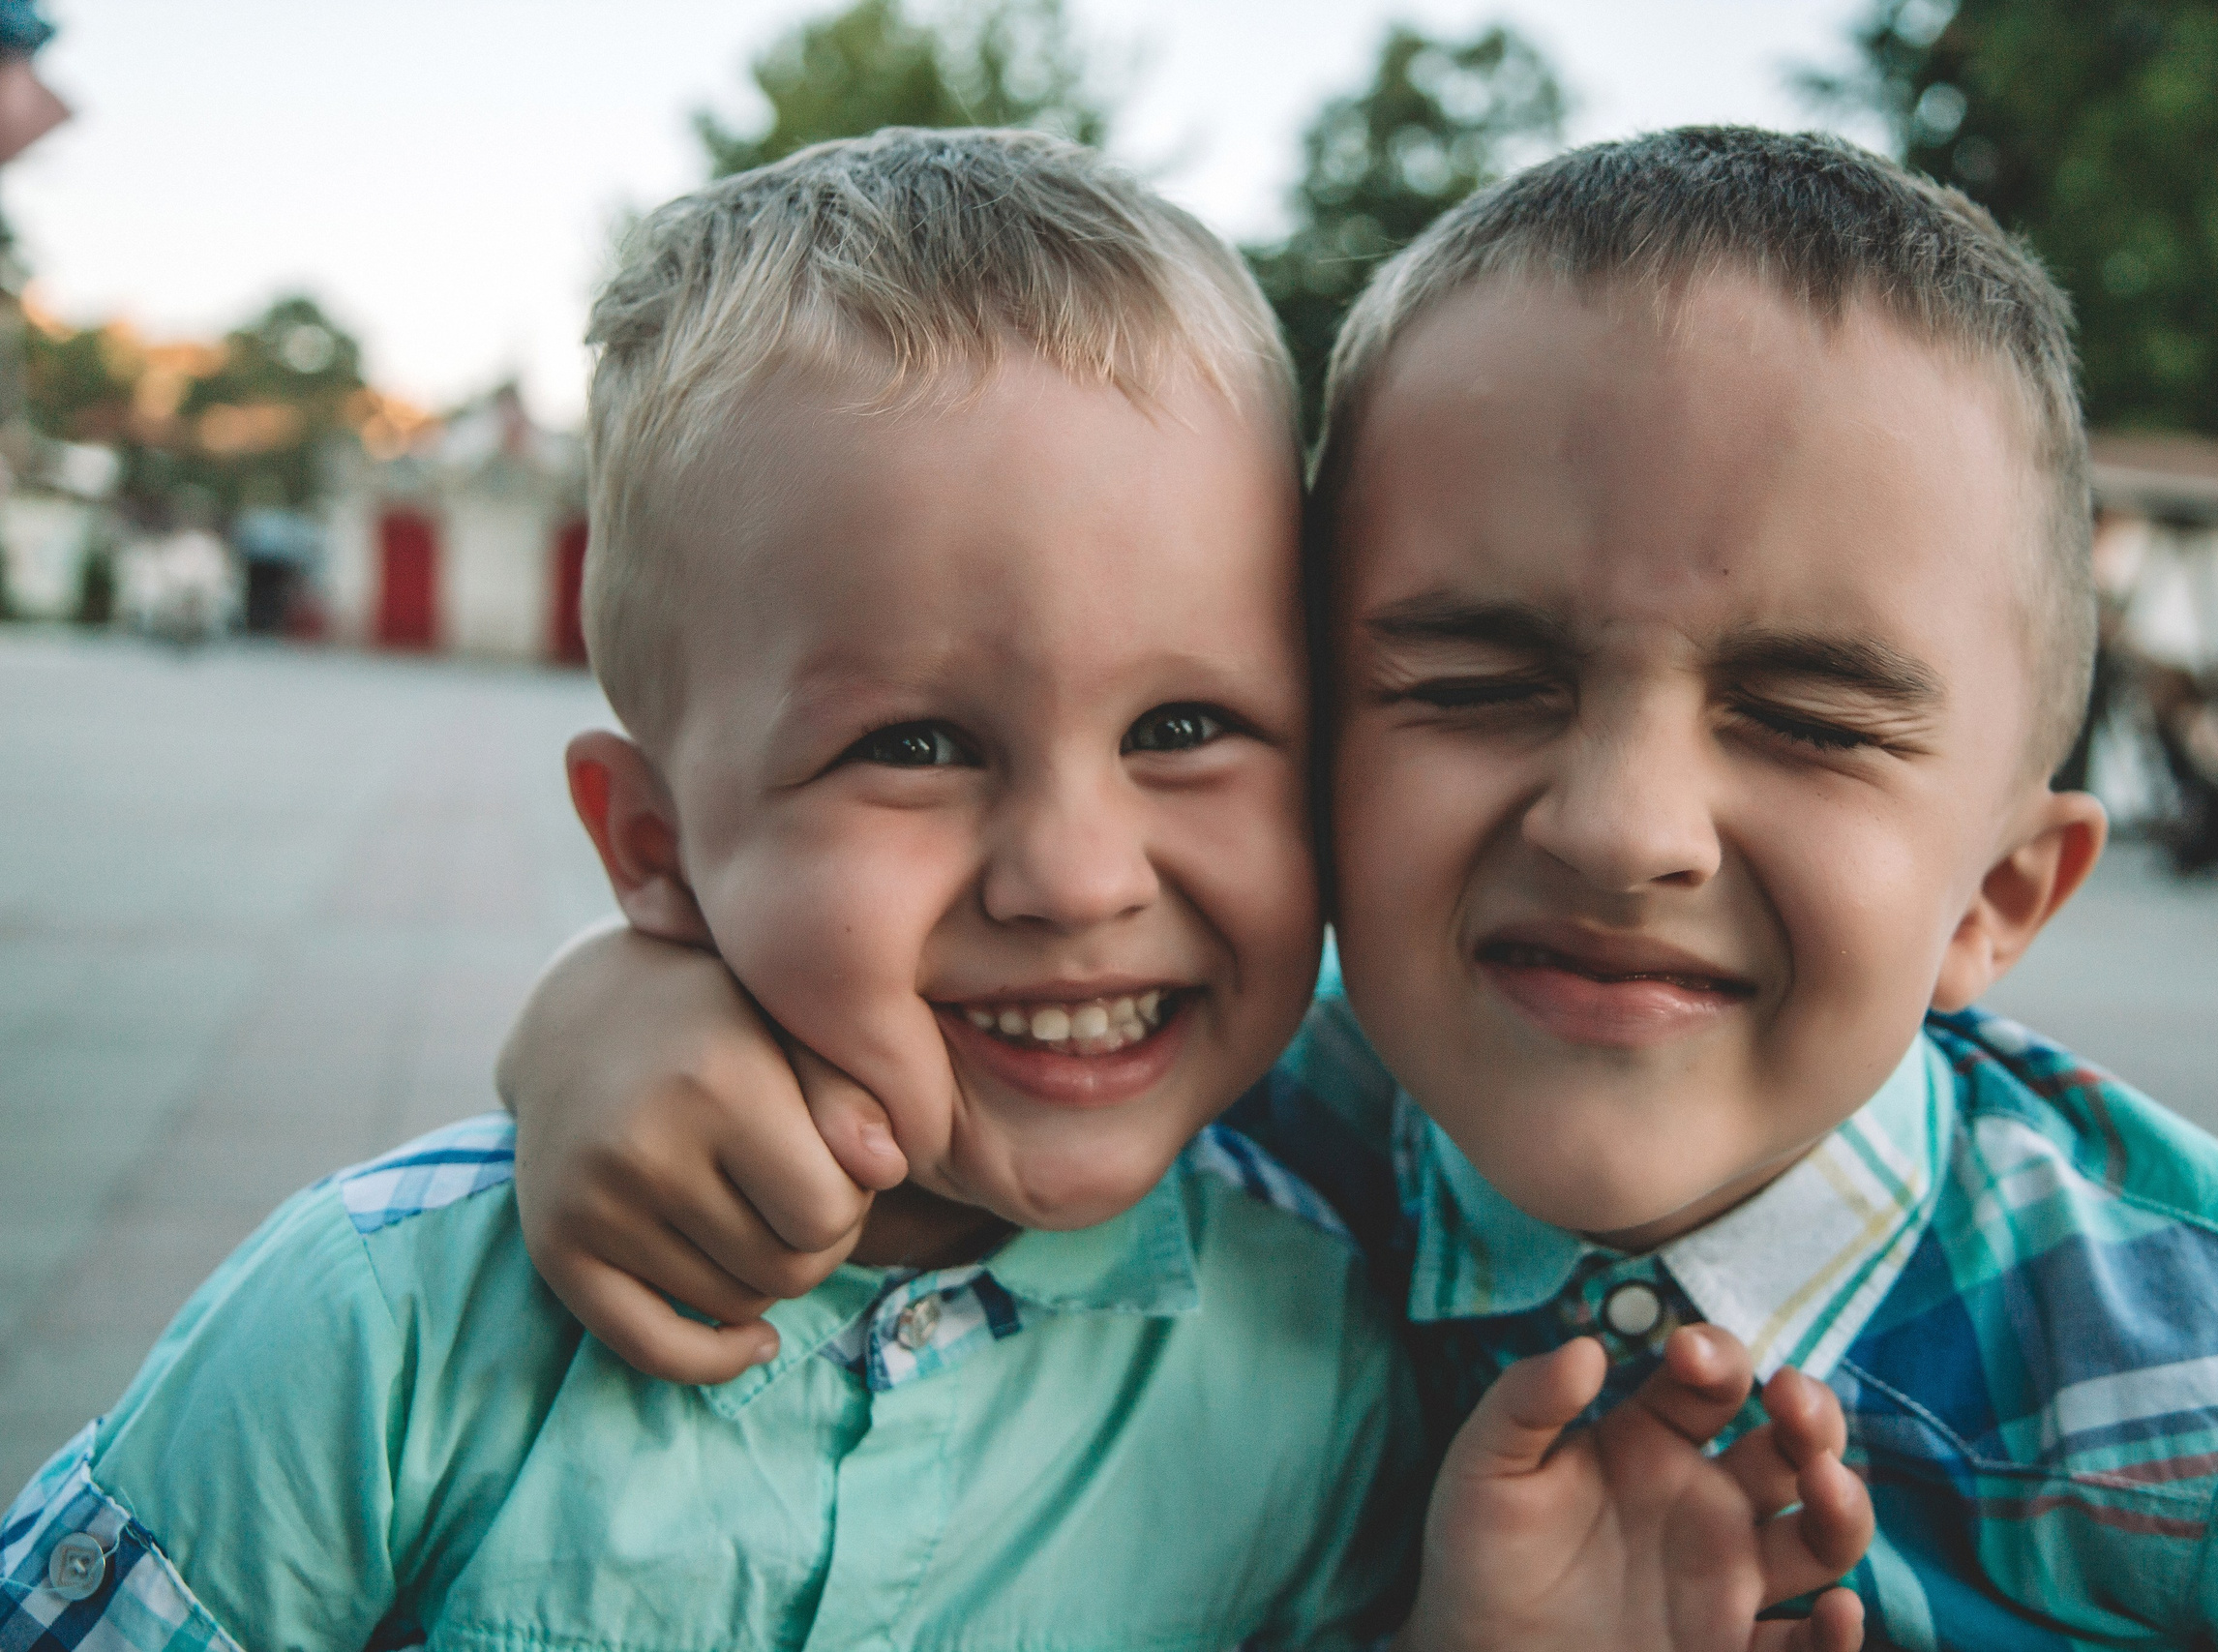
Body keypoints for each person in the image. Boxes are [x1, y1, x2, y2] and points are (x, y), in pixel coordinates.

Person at [495, 128, 2218, 1649]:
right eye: (1473, 682)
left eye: (1799, 714)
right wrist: (627, 1011)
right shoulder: (1229, 1147)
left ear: (2001, 891)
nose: (1622, 825)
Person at [0, 131, 1871, 1652]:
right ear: (650, 846)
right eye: (912, 744)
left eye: (1190, 723)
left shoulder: (1332, 1375)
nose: (1076, 873)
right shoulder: (378, 1332)